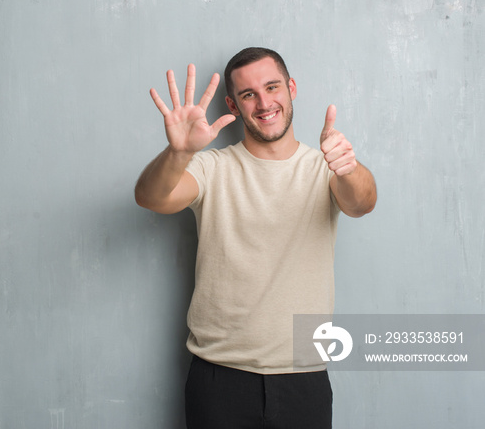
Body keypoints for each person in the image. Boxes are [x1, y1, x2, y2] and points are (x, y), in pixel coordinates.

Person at [134, 47, 377, 429]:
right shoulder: (211, 167)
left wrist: (348, 168)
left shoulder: (325, 167)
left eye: (272, 87)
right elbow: (151, 197)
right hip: (218, 377)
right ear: (233, 104)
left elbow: (362, 203)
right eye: (249, 94)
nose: (264, 103)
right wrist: (177, 153)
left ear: (291, 87)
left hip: (304, 376)